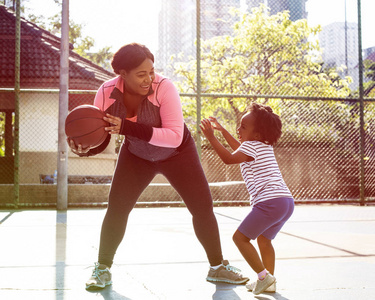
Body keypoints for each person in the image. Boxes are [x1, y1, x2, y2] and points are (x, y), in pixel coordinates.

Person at [67, 43, 249, 290]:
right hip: (137, 155)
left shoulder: (165, 88)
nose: (149, 79)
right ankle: (102, 269)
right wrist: (88, 149)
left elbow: (173, 135)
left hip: (178, 153)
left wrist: (128, 128)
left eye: (151, 71)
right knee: (117, 208)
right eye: (141, 74)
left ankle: (218, 268)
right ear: (123, 74)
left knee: (202, 207)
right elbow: (105, 135)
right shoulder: (106, 92)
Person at [199, 103, 294, 295]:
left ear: (257, 134)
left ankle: (263, 276)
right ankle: (270, 281)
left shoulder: (251, 147)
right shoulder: (261, 146)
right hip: (285, 202)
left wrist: (211, 137)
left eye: (243, 127)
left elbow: (229, 158)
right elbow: (237, 148)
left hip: (269, 202)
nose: (238, 129)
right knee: (264, 240)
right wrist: (222, 130)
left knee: (240, 238)